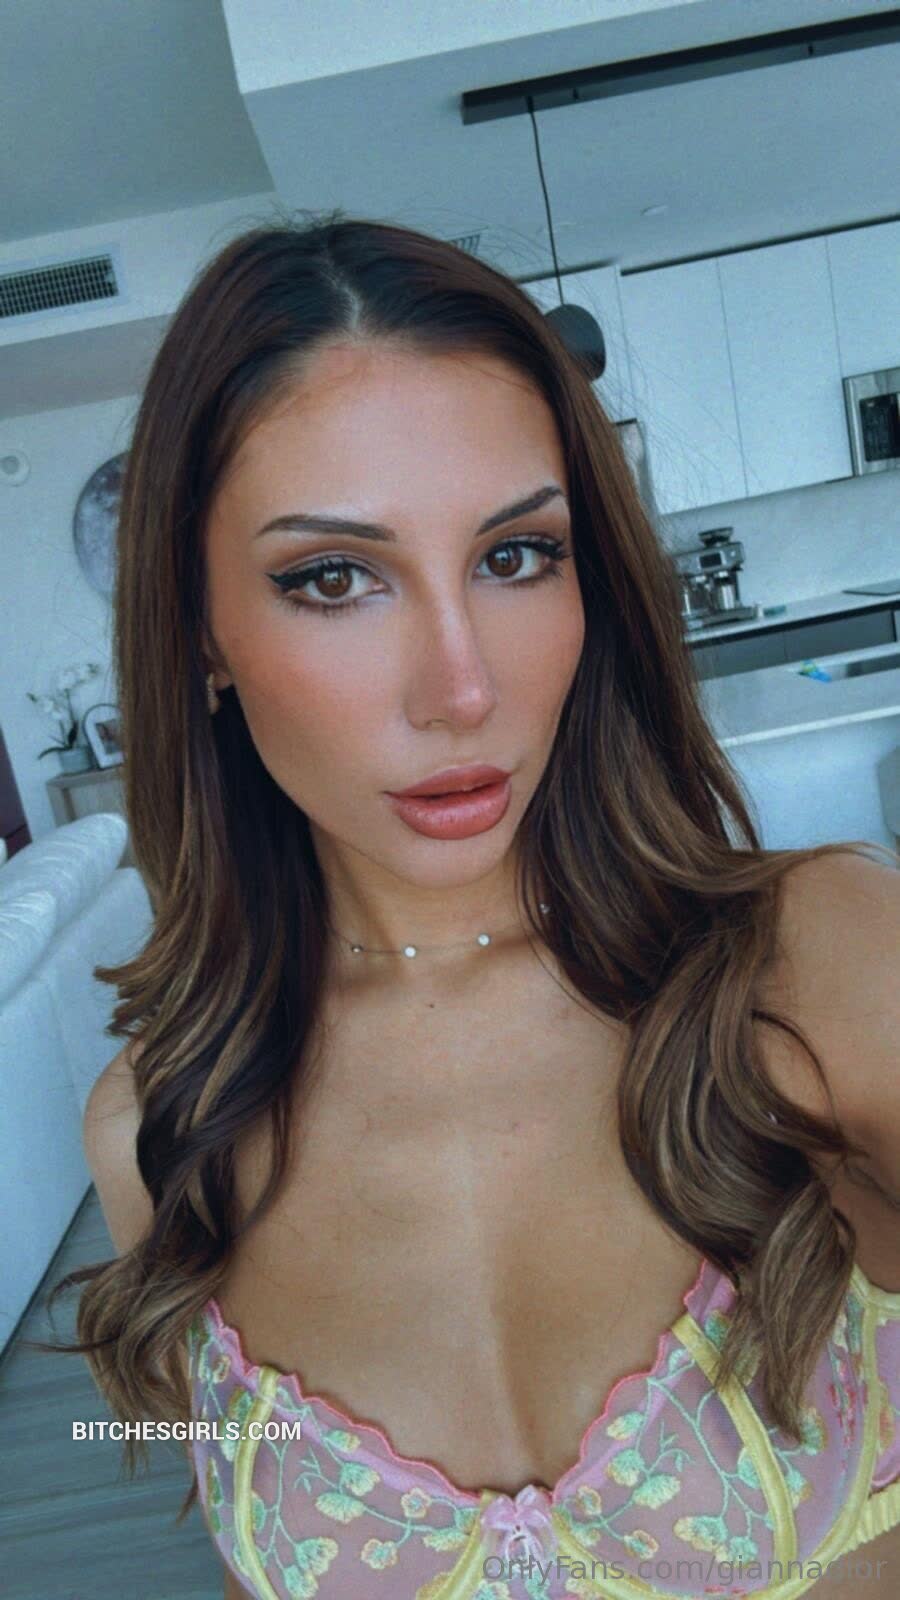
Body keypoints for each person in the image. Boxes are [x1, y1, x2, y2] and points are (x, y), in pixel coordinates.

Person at [46, 212, 898, 1598]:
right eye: (334, 578)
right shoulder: (160, 1125)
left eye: (515, 557)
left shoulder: (819, 970)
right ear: (199, 629)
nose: (463, 688)